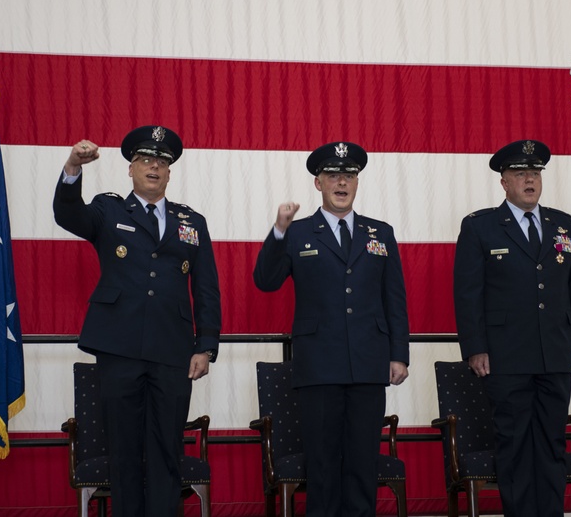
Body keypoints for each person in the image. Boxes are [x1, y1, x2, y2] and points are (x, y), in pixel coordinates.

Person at [53, 125, 221, 517]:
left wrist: (206, 346)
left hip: (173, 350)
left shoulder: (191, 221)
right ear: (130, 168)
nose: (154, 167)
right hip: (119, 346)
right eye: (145, 160)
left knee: (167, 449)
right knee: (124, 449)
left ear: (169, 172)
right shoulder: (108, 208)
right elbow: (67, 214)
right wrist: (73, 167)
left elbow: (207, 288)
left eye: (161, 162)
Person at [253, 141, 410, 517]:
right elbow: (265, 280)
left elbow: (395, 300)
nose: (342, 182)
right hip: (319, 366)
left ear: (357, 182)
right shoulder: (298, 231)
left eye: (349, 175)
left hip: (369, 365)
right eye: (332, 175)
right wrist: (278, 230)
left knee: (362, 464)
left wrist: (398, 355)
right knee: (322, 465)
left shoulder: (380, 233)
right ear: (317, 184)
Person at [453, 139, 571, 517]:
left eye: (534, 173)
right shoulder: (480, 227)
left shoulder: (564, 224)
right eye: (520, 173)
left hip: (555, 353)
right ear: (504, 182)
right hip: (504, 356)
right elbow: (468, 294)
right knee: (513, 445)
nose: (529, 179)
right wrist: (475, 348)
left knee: (550, 443)